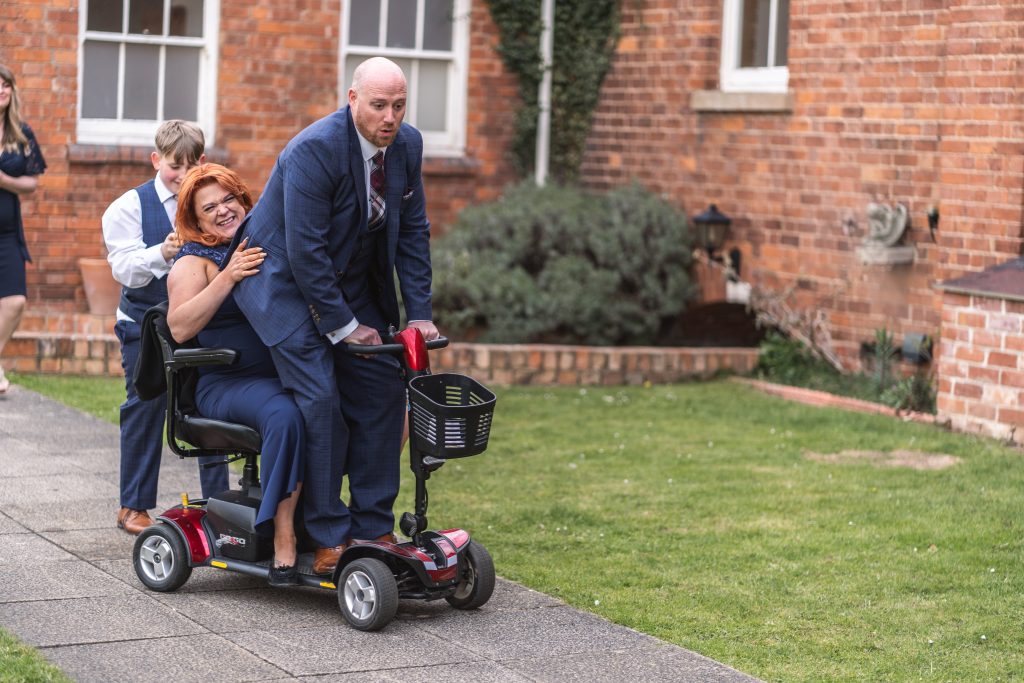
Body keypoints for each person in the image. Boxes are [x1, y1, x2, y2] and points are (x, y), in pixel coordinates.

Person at [231, 57, 438, 575]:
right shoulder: (313, 150)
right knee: (321, 398)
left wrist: (420, 315)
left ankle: (373, 526)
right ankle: (327, 537)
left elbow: (412, 232)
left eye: (398, 105)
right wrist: (344, 327)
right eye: (378, 105)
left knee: (383, 389)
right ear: (352, 100)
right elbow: (304, 251)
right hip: (278, 283)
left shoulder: (407, 146)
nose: (390, 117)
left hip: (346, 280)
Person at [167, 164, 305, 586]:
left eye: (229, 199)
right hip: (226, 384)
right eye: (210, 207)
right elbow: (179, 327)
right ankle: (283, 533)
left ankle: (326, 517)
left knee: (344, 403)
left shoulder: (264, 244)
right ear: (195, 219)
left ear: (244, 199)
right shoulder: (194, 262)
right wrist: (227, 277)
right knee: (285, 416)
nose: (223, 210)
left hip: (286, 373)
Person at [102, 120, 227, 535]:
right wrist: (162, 251)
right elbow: (124, 270)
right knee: (145, 403)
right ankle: (133, 506)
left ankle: (220, 506)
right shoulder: (128, 207)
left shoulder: (210, 200)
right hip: (144, 322)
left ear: (203, 161)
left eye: (193, 164)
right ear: (157, 160)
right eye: (176, 165)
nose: (184, 173)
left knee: (210, 402)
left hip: (201, 319)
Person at [0, 64, 46, 395]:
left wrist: (4, 180)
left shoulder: (21, 134)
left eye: (5, 85)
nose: (1, 91)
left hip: (7, 234)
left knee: (15, 302)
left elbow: (32, 181)